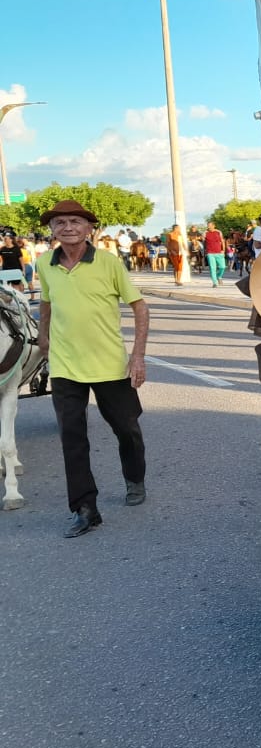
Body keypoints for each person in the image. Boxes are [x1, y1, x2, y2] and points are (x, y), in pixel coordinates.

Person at [35, 200, 148, 538]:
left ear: (88, 228)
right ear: (52, 230)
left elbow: (139, 307)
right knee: (72, 437)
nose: (67, 227)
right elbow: (46, 302)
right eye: (60, 223)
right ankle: (85, 509)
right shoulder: (45, 263)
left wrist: (137, 356)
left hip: (109, 365)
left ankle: (134, 478)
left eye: (75, 221)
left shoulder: (108, 262)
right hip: (65, 366)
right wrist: (43, 337)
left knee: (127, 428)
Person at [204, 222, 227, 288]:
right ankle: (215, 282)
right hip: (210, 253)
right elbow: (203, 241)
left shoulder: (218, 232)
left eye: (210, 225)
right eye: (208, 225)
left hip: (219, 252)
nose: (209, 227)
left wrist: (223, 250)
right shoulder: (205, 233)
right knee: (212, 268)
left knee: (222, 267)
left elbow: (222, 241)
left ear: (214, 226)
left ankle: (219, 276)